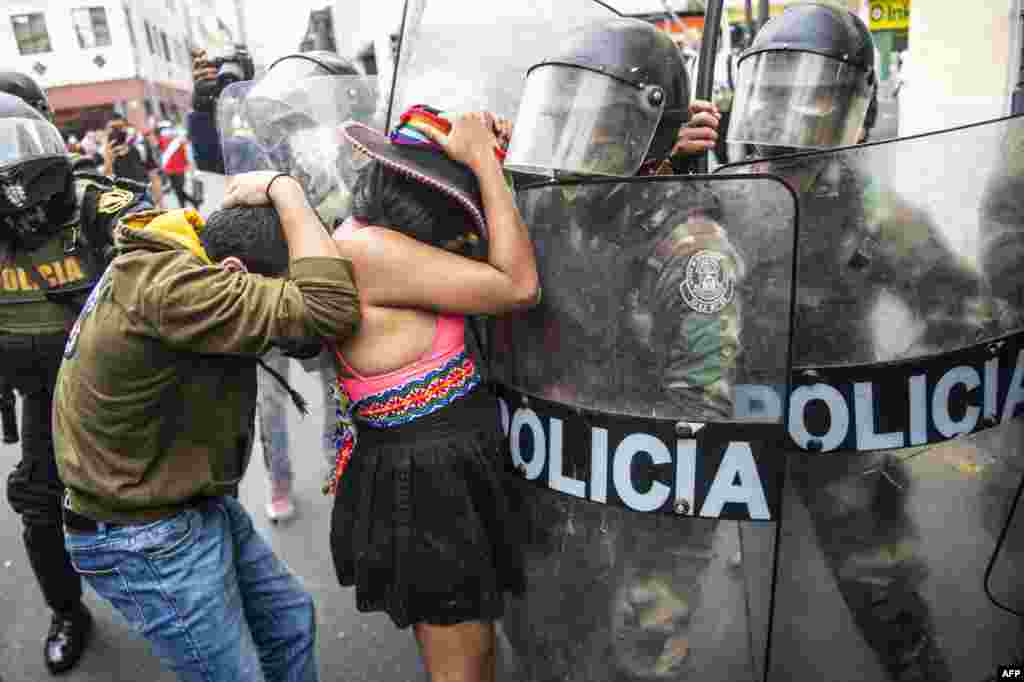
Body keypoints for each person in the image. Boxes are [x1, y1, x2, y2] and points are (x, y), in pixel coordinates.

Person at [724, 4, 1002, 679]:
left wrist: (892, 405)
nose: (785, 120)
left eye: (811, 98)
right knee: (742, 606)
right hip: (738, 426)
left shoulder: (875, 212)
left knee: (886, 601)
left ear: (852, 109)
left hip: (834, 433)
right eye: (775, 94)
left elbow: (966, 315)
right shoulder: (726, 192)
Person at [493, 17, 747, 681]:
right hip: (564, 479)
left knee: (644, 654)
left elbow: (702, 410)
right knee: (548, 642)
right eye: (570, 122)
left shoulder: (694, 251)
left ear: (644, 138)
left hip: (653, 496)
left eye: (601, 130)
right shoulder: (554, 208)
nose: (578, 148)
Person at [53, 172, 361, 681]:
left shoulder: (177, 260)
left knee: (288, 624)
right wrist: (285, 190)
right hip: (143, 533)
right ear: (235, 271)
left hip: (182, 504)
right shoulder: (178, 289)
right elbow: (328, 309)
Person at [324, 107, 539, 682]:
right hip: (429, 487)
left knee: (478, 647)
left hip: (445, 472)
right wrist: (483, 168)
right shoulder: (367, 251)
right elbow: (518, 285)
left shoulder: (382, 241)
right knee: (460, 667)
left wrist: (492, 159)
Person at [0, 72, 150, 674]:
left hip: (118, 388)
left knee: (145, 502)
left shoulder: (92, 204)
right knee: (39, 505)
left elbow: (155, 245)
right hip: (40, 391)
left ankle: (174, 598)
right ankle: (68, 612)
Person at [157, 124, 201, 210]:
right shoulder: (167, 141)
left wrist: (190, 166)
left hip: (176, 169)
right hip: (172, 170)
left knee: (178, 190)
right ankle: (191, 203)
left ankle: (185, 206)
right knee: (178, 190)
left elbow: (187, 154)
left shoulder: (177, 141)